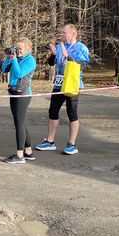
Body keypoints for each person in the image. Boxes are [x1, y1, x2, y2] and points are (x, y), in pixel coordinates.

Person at [35, 24, 90, 155]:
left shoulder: (81, 48)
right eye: (62, 32)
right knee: (52, 111)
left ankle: (72, 144)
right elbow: (51, 63)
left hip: (72, 84)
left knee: (72, 113)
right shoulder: (60, 46)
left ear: (73, 34)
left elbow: (81, 65)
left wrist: (68, 57)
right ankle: (50, 141)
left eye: (64, 32)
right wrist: (54, 55)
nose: (62, 35)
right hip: (59, 84)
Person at [1, 37, 36, 164]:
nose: (18, 51)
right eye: (17, 48)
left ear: (27, 49)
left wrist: (14, 59)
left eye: (20, 48)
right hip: (14, 92)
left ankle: (19, 154)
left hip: (23, 95)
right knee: (21, 122)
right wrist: (8, 57)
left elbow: (19, 73)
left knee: (19, 124)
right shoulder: (17, 58)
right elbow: (4, 69)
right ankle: (28, 151)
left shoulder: (30, 60)